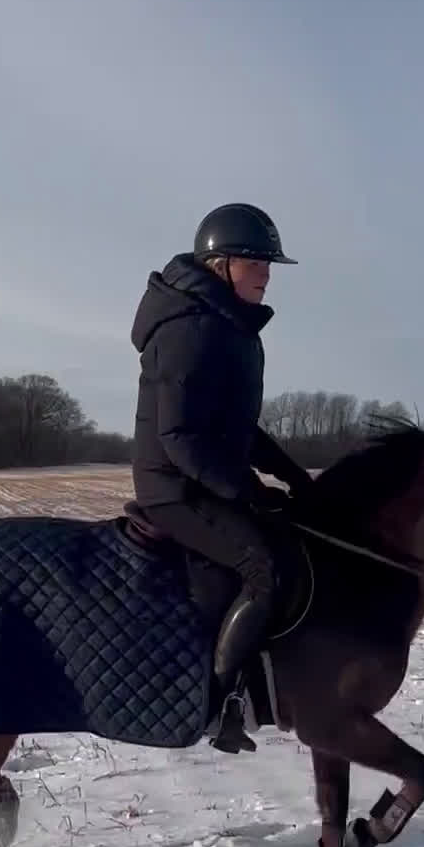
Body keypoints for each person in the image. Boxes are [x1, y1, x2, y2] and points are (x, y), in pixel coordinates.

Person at [130, 202, 313, 751]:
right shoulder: (190, 329)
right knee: (262, 567)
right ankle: (219, 701)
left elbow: (240, 429)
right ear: (221, 265)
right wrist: (248, 492)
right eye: (257, 262)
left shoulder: (228, 328)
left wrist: (296, 479)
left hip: (205, 479)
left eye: (268, 264)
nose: (267, 274)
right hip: (174, 489)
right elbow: (179, 438)